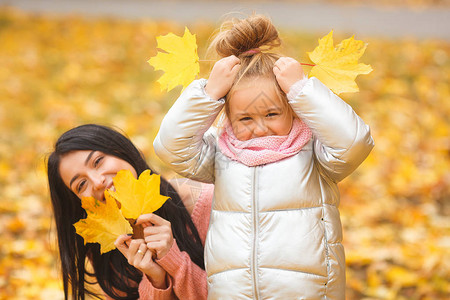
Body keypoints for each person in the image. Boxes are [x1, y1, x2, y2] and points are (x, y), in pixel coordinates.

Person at [153, 14, 374, 299]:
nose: (260, 127)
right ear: (229, 118)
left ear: (292, 109)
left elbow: (355, 141)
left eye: (271, 114)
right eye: (245, 118)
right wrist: (208, 94)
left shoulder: (314, 153)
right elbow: (170, 147)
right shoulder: (222, 155)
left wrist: (301, 89)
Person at [46, 124, 212, 300]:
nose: (98, 182)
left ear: (119, 150)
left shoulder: (205, 203)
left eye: (97, 161)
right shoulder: (106, 246)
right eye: (81, 185)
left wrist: (174, 260)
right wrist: (156, 279)